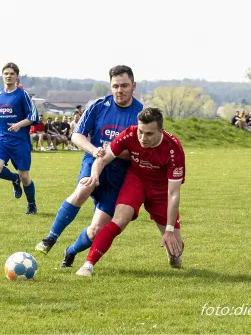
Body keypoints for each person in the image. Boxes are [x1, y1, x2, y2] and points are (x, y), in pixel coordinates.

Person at [34, 65, 143, 269]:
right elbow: (76, 135)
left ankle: (71, 251)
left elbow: (143, 151)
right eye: (115, 86)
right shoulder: (99, 106)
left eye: (125, 86)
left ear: (133, 86)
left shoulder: (141, 114)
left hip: (119, 174)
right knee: (84, 188)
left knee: (96, 230)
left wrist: (114, 151)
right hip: (93, 160)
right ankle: (51, 237)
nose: (120, 90)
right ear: (110, 87)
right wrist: (94, 151)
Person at [76, 108, 185, 276]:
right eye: (141, 132)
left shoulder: (173, 149)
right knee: (119, 220)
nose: (142, 138)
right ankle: (88, 265)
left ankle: (173, 253)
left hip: (161, 190)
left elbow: (173, 194)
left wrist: (169, 229)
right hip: (137, 181)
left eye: (149, 134)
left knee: (176, 253)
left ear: (160, 131)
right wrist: (94, 175)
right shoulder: (130, 134)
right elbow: (102, 158)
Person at [0, 62, 39, 215]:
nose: (8, 76)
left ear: (17, 77)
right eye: (6, 73)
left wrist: (19, 124)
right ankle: (14, 179)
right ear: (2, 75)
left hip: (19, 142)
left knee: (25, 176)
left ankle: (31, 205)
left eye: (11, 74)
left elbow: (33, 116)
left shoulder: (22, 94)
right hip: (1, 140)